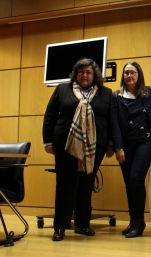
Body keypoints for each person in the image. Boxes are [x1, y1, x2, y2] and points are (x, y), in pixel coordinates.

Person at [42, 58, 114, 241]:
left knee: (86, 185)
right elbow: (50, 115)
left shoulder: (106, 93)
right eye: (81, 71)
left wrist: (111, 144)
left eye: (89, 72)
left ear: (95, 75)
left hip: (94, 145)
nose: (85, 75)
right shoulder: (62, 89)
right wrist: (48, 141)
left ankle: (83, 224)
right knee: (66, 185)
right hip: (66, 144)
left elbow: (112, 120)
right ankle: (60, 227)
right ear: (76, 73)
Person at [110, 61, 151, 238]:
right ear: (123, 76)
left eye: (133, 72)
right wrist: (118, 147)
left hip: (144, 143)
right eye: (126, 73)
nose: (129, 76)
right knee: (128, 183)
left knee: (136, 179)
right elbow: (115, 123)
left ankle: (139, 222)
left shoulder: (148, 93)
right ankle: (133, 220)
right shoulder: (116, 96)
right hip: (125, 145)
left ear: (138, 74)